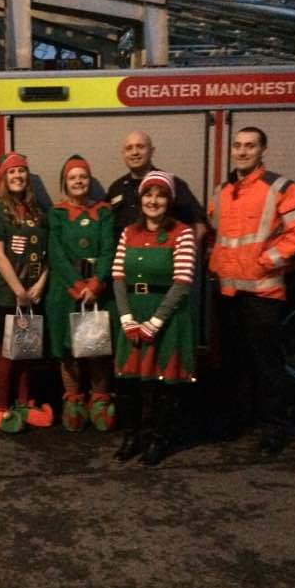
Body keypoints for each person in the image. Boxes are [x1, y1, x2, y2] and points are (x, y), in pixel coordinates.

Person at [208, 126, 295, 455]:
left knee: (267, 365)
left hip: (262, 294)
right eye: (238, 145)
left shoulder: (280, 187)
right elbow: (217, 233)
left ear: (262, 150)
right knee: (234, 362)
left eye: (250, 146)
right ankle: (239, 419)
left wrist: (266, 261)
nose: (242, 151)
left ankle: (274, 429)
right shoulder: (223, 191)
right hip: (228, 293)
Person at [112, 170, 197, 466]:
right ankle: (132, 437)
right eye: (148, 194)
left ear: (169, 201)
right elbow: (118, 278)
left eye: (160, 196)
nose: (153, 201)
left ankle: (158, 440)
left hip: (167, 316)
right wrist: (127, 319)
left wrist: (154, 323)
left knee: (164, 386)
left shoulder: (182, 233)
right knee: (128, 384)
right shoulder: (128, 233)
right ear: (141, 199)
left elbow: (182, 283)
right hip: (133, 312)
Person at [46, 155, 116, 431]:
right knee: (69, 350)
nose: (78, 181)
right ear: (65, 183)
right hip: (66, 291)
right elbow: (56, 253)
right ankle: (73, 400)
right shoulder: (56, 213)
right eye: (73, 177)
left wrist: (96, 284)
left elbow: (109, 249)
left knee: (98, 348)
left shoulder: (104, 212)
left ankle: (99, 399)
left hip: (98, 291)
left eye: (83, 176)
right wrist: (77, 286)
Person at [0, 152, 52, 433]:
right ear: (4, 177)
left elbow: (49, 253)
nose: (18, 176)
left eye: (21, 171)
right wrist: (18, 290)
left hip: (32, 292)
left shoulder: (38, 210)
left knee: (26, 350)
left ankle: (24, 403)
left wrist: (40, 284)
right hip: (5, 293)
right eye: (12, 172)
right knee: (6, 351)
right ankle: (1, 407)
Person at [107, 131, 207, 241]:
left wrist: (186, 249)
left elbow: (199, 226)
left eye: (140, 147)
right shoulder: (116, 188)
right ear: (123, 154)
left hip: (164, 250)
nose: (134, 152)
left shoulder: (173, 184)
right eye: (129, 148)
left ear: (152, 151)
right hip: (125, 250)